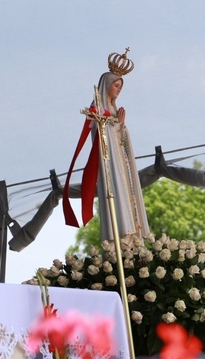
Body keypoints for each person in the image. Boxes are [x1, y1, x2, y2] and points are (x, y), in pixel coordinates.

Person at [63, 49, 150, 244]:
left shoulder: (113, 110)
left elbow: (121, 137)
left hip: (121, 162)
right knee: (116, 193)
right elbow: (100, 136)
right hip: (110, 163)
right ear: (107, 85)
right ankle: (121, 234)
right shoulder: (98, 110)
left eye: (121, 86)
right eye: (116, 85)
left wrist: (121, 125)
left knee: (128, 192)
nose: (119, 89)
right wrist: (115, 124)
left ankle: (133, 233)